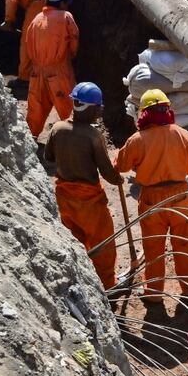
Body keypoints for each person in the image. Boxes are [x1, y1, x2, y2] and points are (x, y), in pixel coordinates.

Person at [115, 89, 188, 321]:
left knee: (153, 247)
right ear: (167, 109)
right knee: (185, 244)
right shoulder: (183, 135)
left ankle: (153, 294)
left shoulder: (138, 139)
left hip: (152, 199)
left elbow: (121, 166)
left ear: (143, 113)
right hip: (182, 198)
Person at [44, 82, 122, 291]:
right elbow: (106, 171)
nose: (100, 111)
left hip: (64, 196)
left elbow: (48, 157)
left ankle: (81, 281)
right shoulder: (92, 136)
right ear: (89, 108)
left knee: (75, 241)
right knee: (102, 243)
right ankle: (107, 286)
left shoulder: (58, 128)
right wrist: (118, 179)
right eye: (98, 107)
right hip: (89, 201)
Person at [23, 0, 78, 139]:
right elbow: (74, 39)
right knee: (69, 110)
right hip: (59, 70)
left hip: (37, 72)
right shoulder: (66, 17)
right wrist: (69, 56)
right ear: (63, 1)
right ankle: (74, 141)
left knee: (35, 110)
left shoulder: (36, 19)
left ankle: (30, 140)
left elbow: (27, 44)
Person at [0, 0, 49, 83]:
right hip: (53, 2)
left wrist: (8, 21)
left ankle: (25, 78)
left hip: (38, 3)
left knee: (27, 40)